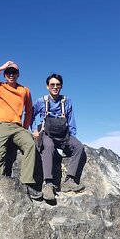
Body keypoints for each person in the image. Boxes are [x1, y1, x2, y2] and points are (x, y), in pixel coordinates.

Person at [0, 60, 42, 199]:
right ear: (5, 74)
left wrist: (25, 129)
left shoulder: (24, 90)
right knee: (0, 156)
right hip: (1, 125)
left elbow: (29, 111)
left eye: (14, 72)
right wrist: (0, 68)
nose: (11, 74)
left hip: (17, 127)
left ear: (18, 74)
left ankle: (27, 184)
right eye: (8, 72)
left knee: (30, 145)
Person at [31, 73, 86, 201]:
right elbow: (30, 115)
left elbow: (71, 119)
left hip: (63, 134)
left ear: (61, 86)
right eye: (52, 85)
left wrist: (72, 137)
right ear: (47, 86)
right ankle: (48, 183)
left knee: (78, 146)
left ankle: (69, 180)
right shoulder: (41, 101)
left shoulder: (66, 101)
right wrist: (34, 130)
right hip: (47, 133)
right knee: (48, 146)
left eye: (58, 85)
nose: (55, 87)